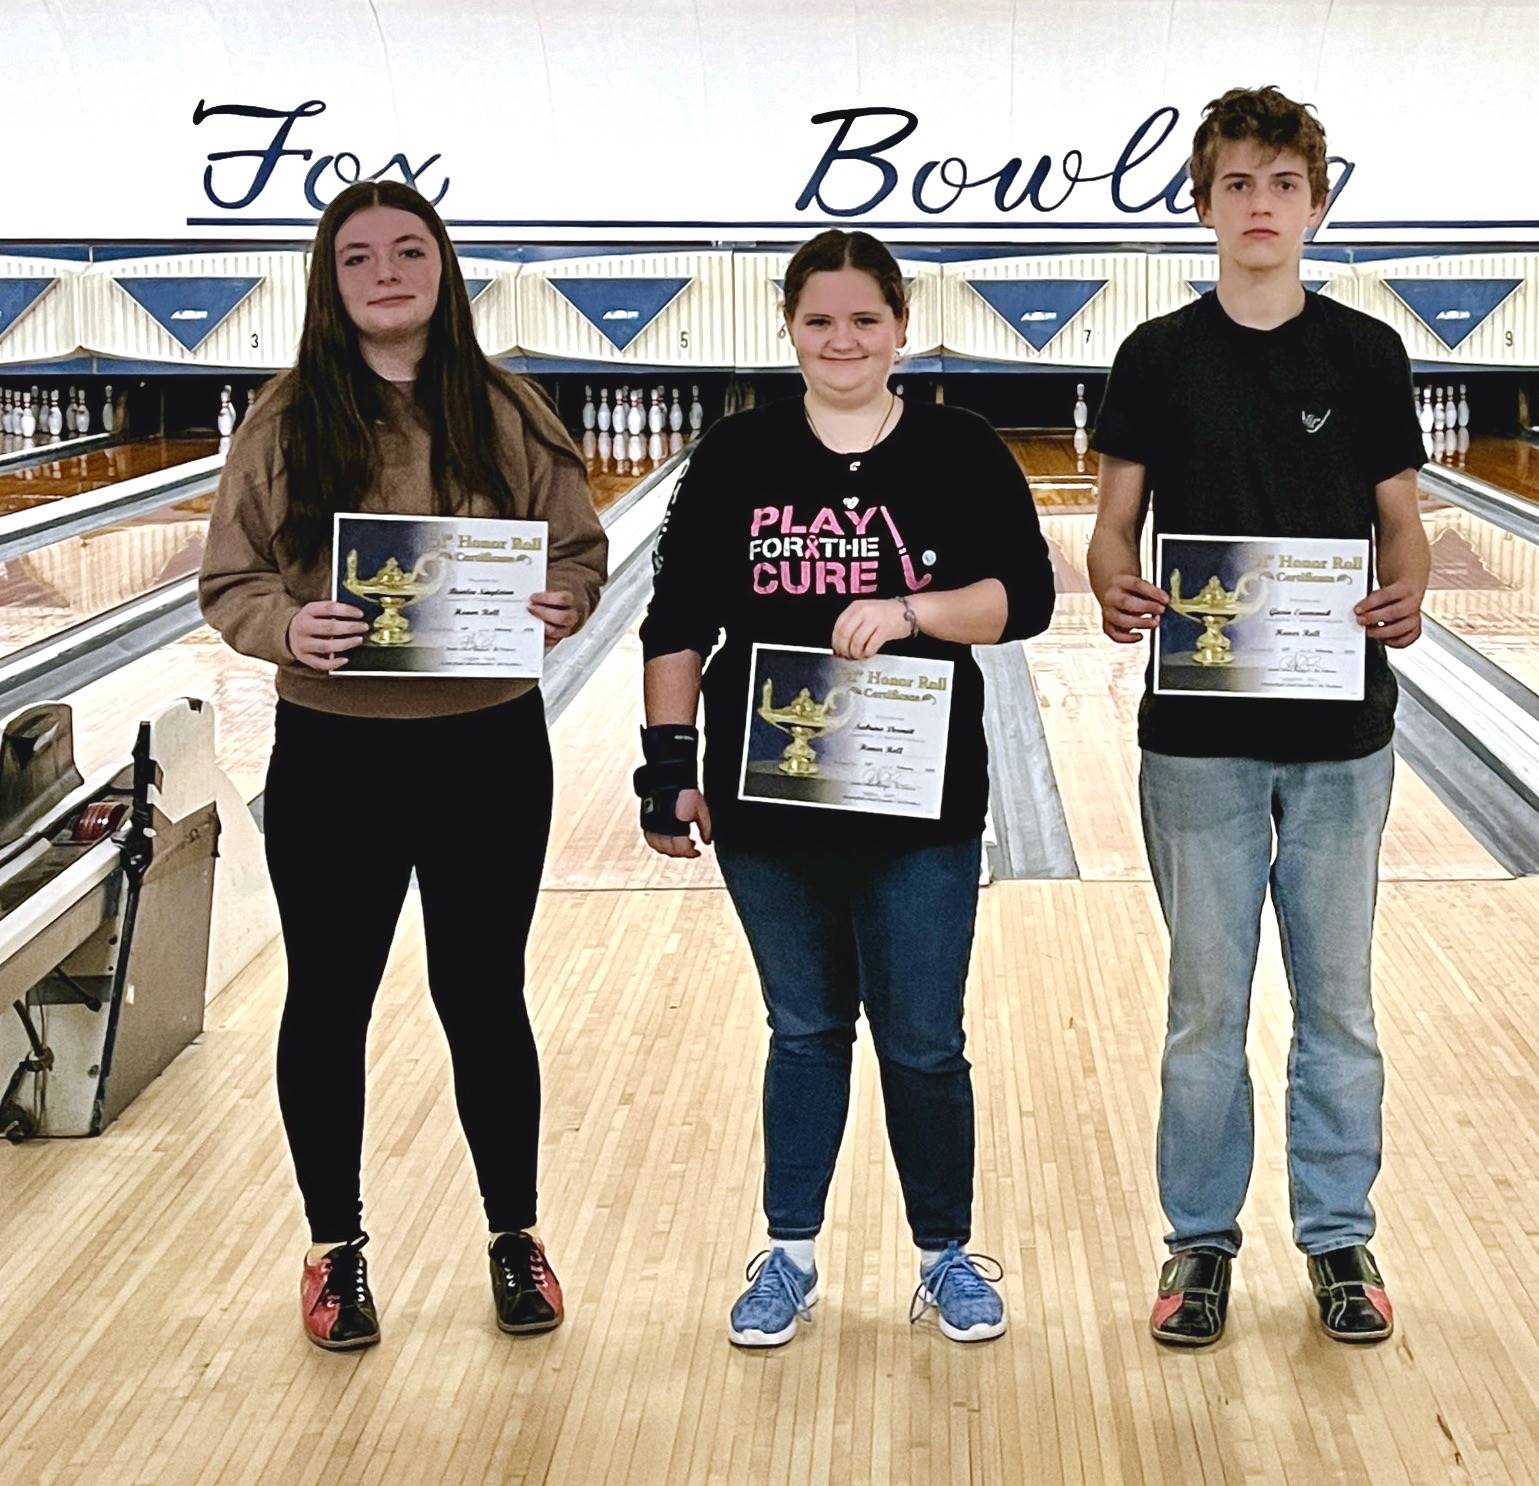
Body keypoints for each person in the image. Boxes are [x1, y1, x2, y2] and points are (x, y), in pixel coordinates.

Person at [199, 180, 607, 1351]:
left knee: (483, 995)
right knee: (328, 999)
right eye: (360, 256)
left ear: (443, 267)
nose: (387, 271)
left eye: (409, 250)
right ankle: (336, 1252)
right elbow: (229, 583)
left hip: (485, 748)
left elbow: (580, 551)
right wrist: (290, 627)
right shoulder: (282, 420)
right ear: (331, 283)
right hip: (335, 752)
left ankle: (515, 1237)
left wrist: (565, 598)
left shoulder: (508, 408)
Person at [635, 228, 1055, 1347]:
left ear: (900, 327)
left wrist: (914, 612)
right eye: (819, 319)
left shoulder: (960, 451)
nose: (842, 339)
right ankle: (790, 1254)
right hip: (769, 804)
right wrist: (667, 767)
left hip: (919, 804)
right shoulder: (737, 457)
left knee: (923, 1038)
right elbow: (677, 621)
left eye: (865, 318)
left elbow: (1026, 598)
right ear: (790, 329)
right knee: (808, 1027)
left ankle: (945, 1254)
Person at [1086, 86, 1429, 1347]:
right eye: (1237, 184)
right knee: (1206, 1008)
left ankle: (1339, 1240)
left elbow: (1401, 523)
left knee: (1339, 1005)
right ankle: (1200, 1243)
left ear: (1317, 205)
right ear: (1204, 205)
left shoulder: (1368, 353)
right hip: (1200, 738)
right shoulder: (1155, 357)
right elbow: (1114, 521)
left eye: (1283, 184)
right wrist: (1113, 584)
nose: (1261, 205)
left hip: (1344, 733)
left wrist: (1409, 595)